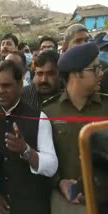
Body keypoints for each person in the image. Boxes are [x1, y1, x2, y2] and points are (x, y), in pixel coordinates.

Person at [0, 60, 58, 214]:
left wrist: (26, 151)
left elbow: (51, 166)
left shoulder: (39, 118)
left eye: (6, 86)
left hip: (32, 206)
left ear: (20, 85)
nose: (0, 90)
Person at [42, 42, 107, 214]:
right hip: (66, 203)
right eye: (94, 69)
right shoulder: (49, 112)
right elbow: (42, 158)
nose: (101, 73)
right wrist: (59, 182)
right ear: (76, 74)